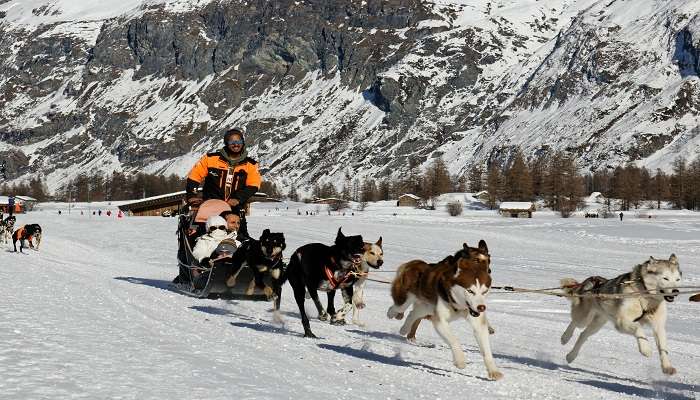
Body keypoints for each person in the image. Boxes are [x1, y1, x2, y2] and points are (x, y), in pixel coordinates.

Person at [185, 127, 262, 239]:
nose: (236, 144)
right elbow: (194, 176)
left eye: (239, 141)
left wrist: (238, 198)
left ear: (243, 142)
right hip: (210, 205)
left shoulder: (250, 164)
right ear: (226, 143)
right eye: (232, 141)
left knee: (240, 237)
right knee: (201, 235)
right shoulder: (210, 159)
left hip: (234, 207)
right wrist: (192, 195)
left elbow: (254, 185)